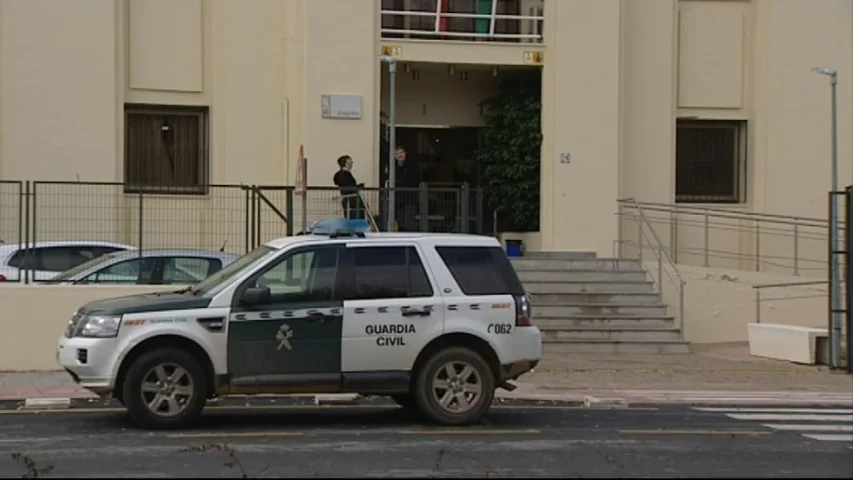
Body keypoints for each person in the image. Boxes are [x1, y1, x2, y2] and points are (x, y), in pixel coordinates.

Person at [392, 146, 421, 231]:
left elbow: (416, 178)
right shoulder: (392, 166)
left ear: (405, 154)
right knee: (399, 218)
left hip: (409, 196)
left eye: (401, 152)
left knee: (409, 218)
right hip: (397, 197)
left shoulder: (412, 165)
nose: (399, 155)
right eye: (397, 153)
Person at [332, 155, 364, 219]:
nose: (351, 164)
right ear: (345, 164)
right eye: (349, 163)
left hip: (348, 199)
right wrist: (359, 187)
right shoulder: (345, 175)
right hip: (352, 200)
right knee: (355, 218)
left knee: (350, 217)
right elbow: (350, 187)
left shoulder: (338, 175)